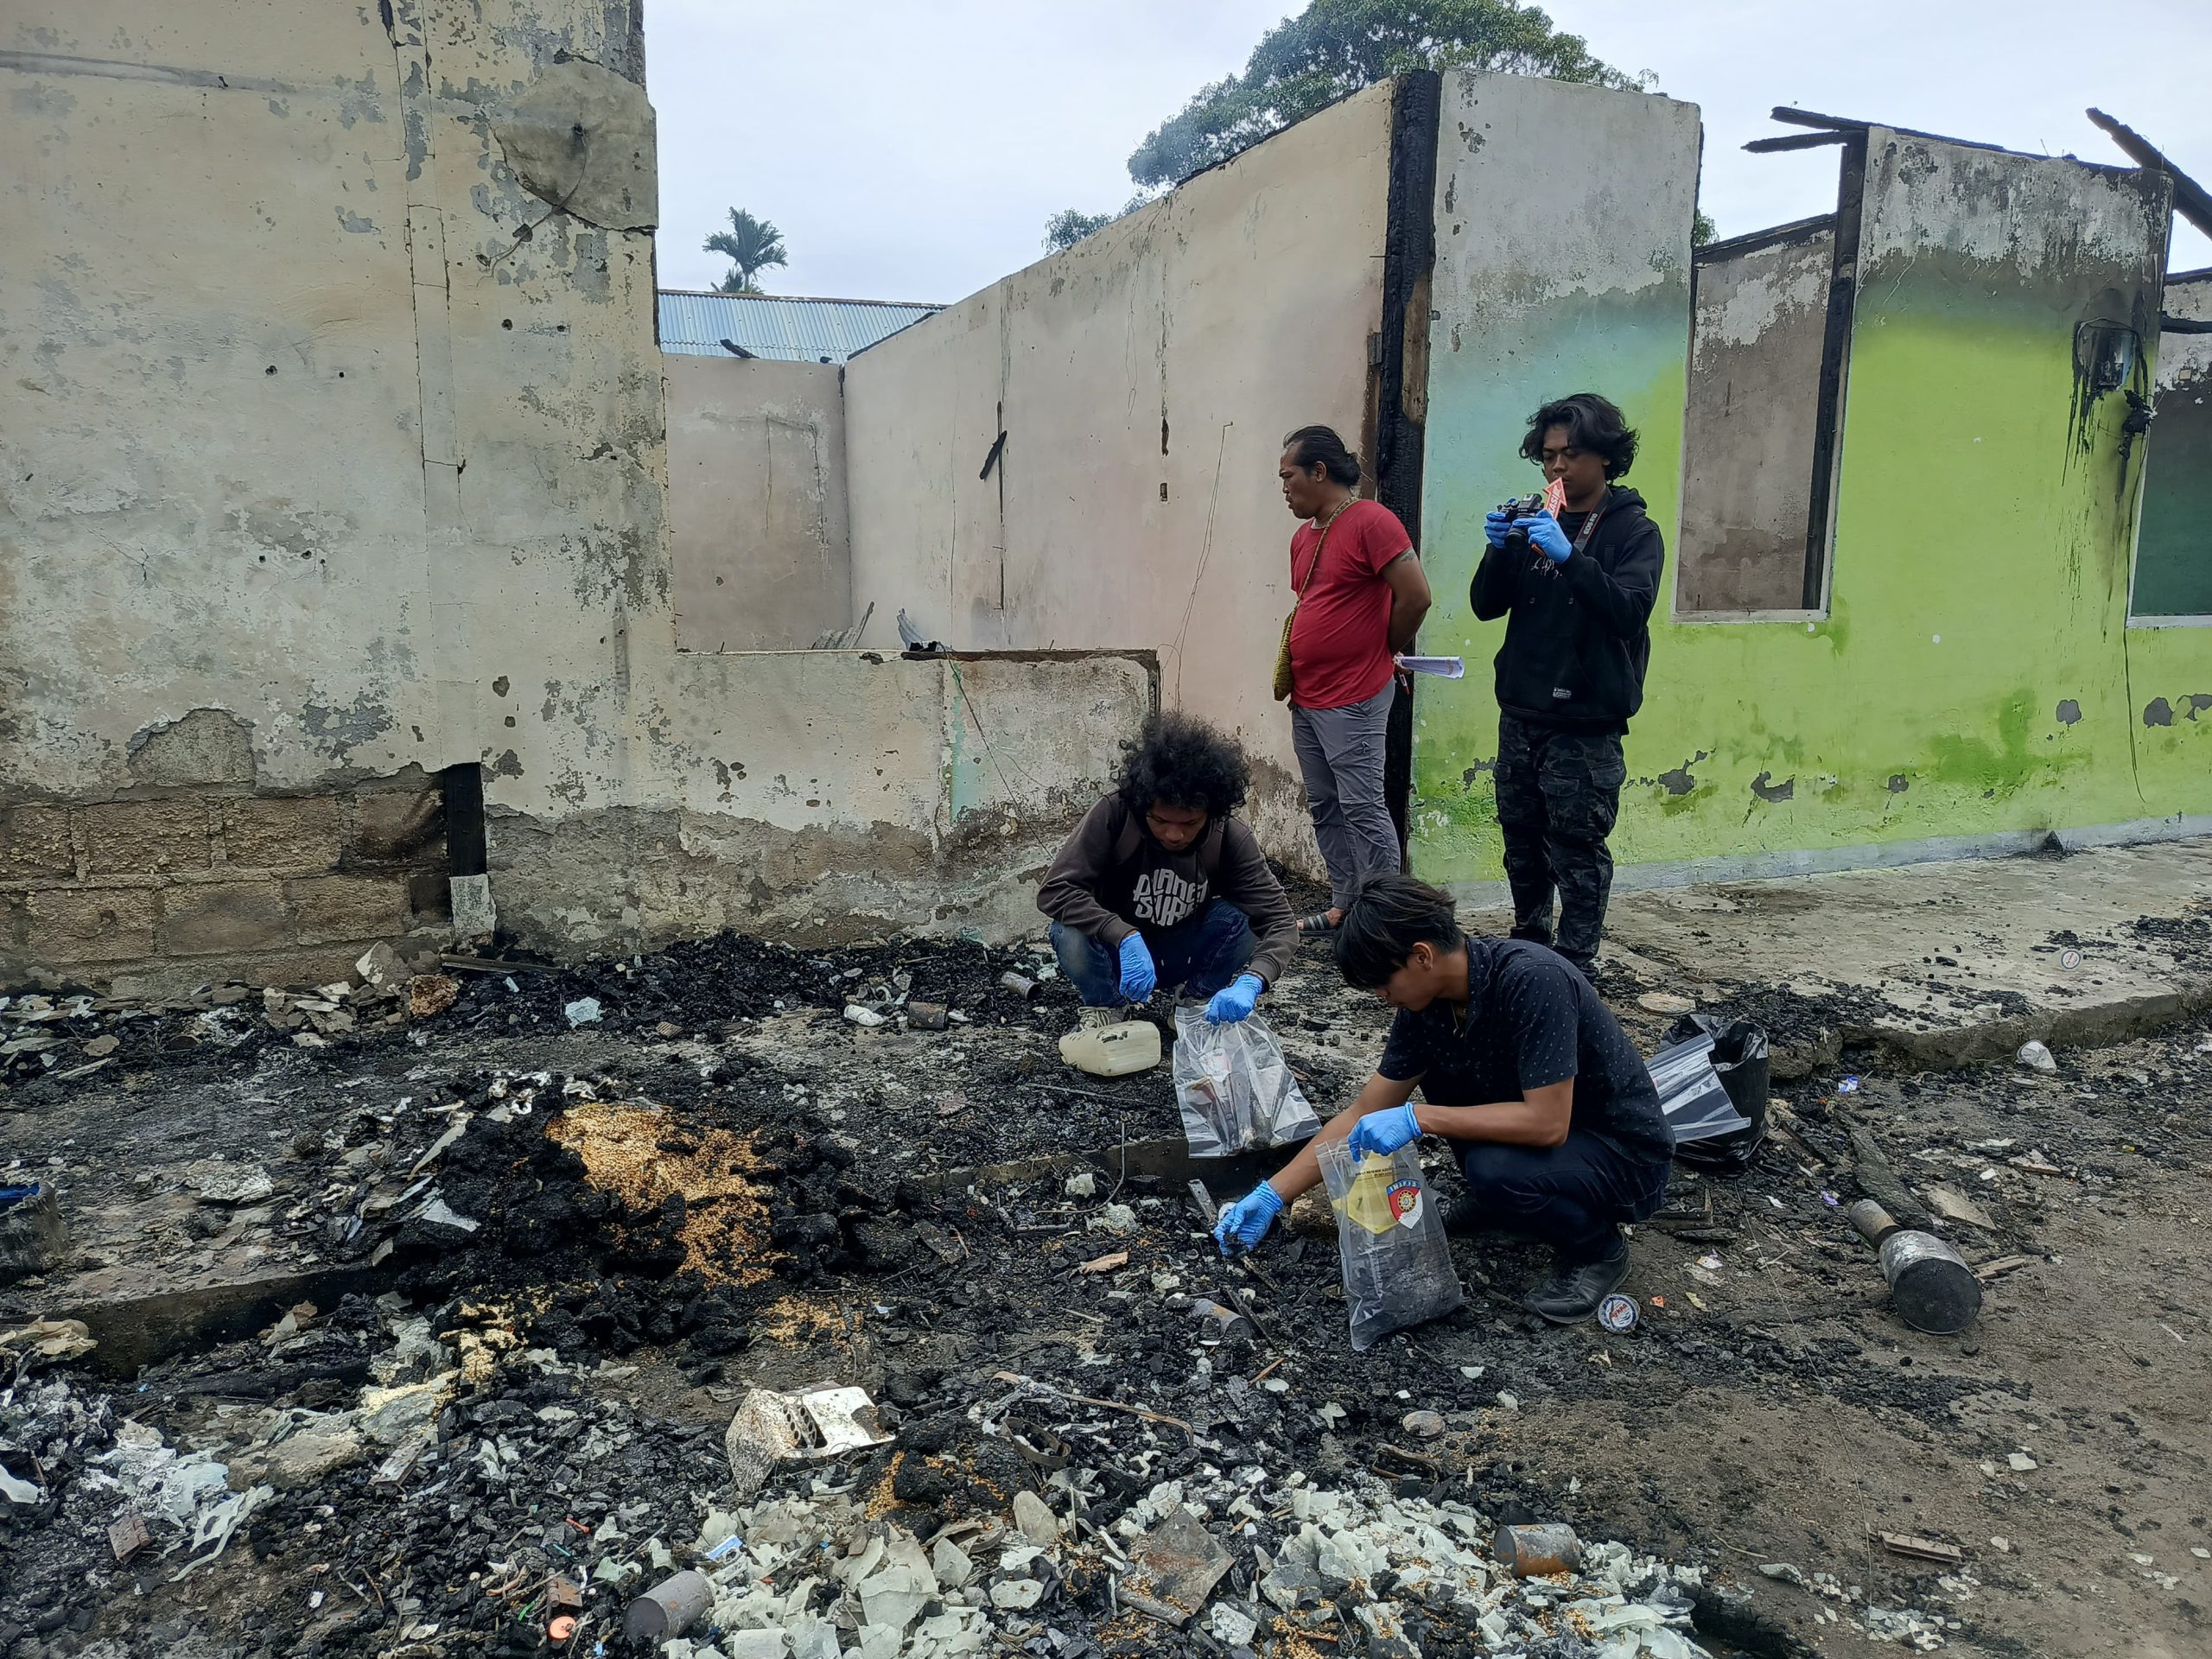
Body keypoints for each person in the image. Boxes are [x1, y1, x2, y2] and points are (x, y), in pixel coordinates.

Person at [1210, 874, 1674, 1322]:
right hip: (1555, 1147)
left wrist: (1420, 1117)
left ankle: (1599, 1250)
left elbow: (1546, 1123)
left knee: (1493, 1169)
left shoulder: (1534, 980)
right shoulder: (1427, 1006)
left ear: (1422, 956)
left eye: (1383, 982)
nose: (1380, 995)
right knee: (1458, 1107)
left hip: (1620, 1155)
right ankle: (1506, 1204)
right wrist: (1271, 1196)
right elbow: (1362, 1111)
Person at [1471, 393, 1663, 984]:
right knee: (1522, 842)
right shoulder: (1536, 517)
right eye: (1549, 456)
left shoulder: (1634, 531)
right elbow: (1485, 606)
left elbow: (1629, 611)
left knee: (1577, 847)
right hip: (1522, 710)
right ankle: (1529, 943)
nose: (1557, 470)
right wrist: (1499, 550)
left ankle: (1576, 961)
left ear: (1606, 458)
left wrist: (1571, 559)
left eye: (1571, 456)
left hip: (1585, 721)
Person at [1038, 711, 1299, 1028]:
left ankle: (1194, 1001)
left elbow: (1281, 921)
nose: (1174, 835)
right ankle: (1106, 1006)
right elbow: (1056, 891)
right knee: (1068, 930)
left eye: (1189, 823)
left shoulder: (1229, 837)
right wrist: (1123, 934)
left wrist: (1254, 980)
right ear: (1142, 804)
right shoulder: (1115, 813)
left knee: (1244, 919)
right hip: (1117, 956)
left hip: (1182, 952)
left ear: (1211, 811)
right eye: (1160, 821)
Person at [1277, 426, 1432, 935]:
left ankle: (1388, 920)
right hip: (1309, 696)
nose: (1284, 487)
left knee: (1362, 805)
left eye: (1289, 476)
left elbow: (1416, 596)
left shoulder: (1372, 520)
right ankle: (1346, 904)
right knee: (1325, 804)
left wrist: (1384, 648)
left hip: (1355, 695)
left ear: (1319, 472)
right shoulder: (1304, 537)